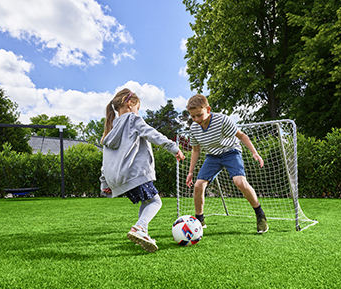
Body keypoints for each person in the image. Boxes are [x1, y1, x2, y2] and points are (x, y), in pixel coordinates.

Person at [100, 88, 185, 252]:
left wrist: (104, 182)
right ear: (130, 104)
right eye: (138, 108)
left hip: (118, 178)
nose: (138, 112)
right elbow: (152, 134)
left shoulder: (109, 130)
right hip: (135, 172)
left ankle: (142, 232)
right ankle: (139, 228)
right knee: (155, 201)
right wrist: (173, 147)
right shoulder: (133, 119)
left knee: (147, 201)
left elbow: (105, 160)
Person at [185, 94, 268, 233]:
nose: (196, 119)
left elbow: (241, 135)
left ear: (208, 109)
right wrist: (190, 172)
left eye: (199, 115)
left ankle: (260, 215)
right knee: (198, 185)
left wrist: (254, 152)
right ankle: (199, 220)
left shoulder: (222, 120)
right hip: (212, 156)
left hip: (231, 152)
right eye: (193, 117)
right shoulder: (194, 128)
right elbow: (195, 150)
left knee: (240, 183)